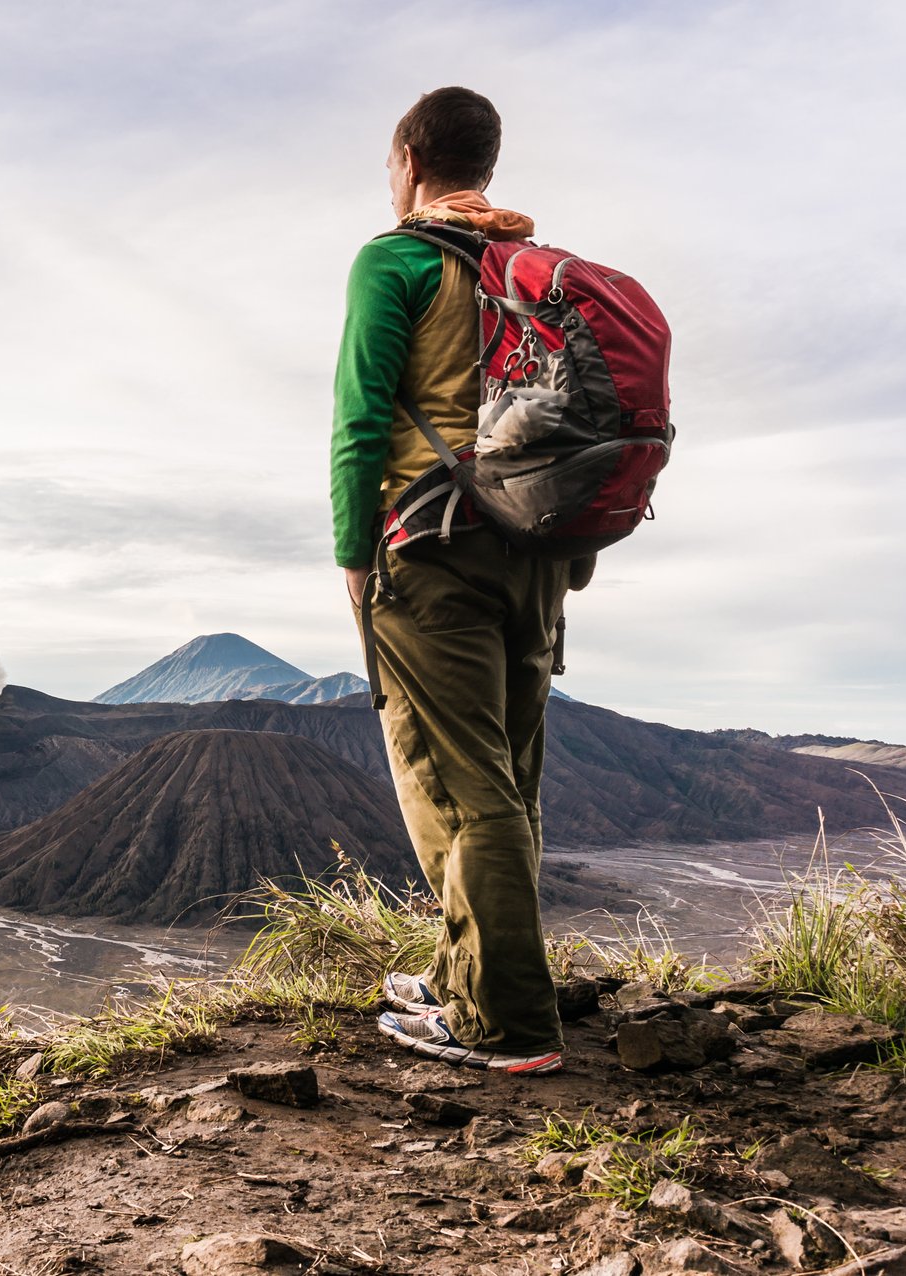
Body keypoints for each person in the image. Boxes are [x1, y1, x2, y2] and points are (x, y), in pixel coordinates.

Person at [331, 86, 569, 1074]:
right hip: (538, 553)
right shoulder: (535, 274)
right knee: (509, 775)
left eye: (390, 164)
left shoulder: (395, 260)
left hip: (428, 549)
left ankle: (508, 1024)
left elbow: (360, 416)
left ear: (409, 160)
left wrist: (353, 552)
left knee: (460, 785)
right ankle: (468, 975)